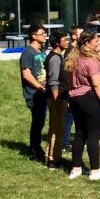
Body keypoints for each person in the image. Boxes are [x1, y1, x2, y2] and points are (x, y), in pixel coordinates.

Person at [65, 31, 100, 181]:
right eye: (96, 41)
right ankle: (95, 171)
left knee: (80, 133)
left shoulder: (74, 58)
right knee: (93, 135)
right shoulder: (91, 61)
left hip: (74, 98)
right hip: (89, 98)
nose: (98, 43)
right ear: (87, 43)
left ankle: (76, 168)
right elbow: (97, 85)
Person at [20, 24, 48, 162]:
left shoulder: (41, 51)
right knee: (37, 122)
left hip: (43, 93)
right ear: (33, 35)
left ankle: (36, 149)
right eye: (42, 33)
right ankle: (34, 151)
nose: (45, 35)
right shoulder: (28, 53)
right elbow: (27, 75)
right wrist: (40, 88)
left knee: (40, 122)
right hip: (34, 94)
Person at [44, 31, 69, 170]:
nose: (67, 42)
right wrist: (57, 100)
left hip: (59, 97)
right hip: (57, 97)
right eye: (64, 40)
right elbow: (53, 81)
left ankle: (50, 157)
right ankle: (54, 160)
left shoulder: (59, 56)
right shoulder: (55, 58)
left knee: (55, 127)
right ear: (57, 43)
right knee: (58, 129)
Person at [62, 25, 83, 153]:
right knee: (68, 117)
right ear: (74, 36)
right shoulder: (70, 51)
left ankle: (74, 140)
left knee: (76, 116)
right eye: (81, 33)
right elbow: (67, 73)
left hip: (77, 89)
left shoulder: (78, 49)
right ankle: (65, 143)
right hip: (70, 89)